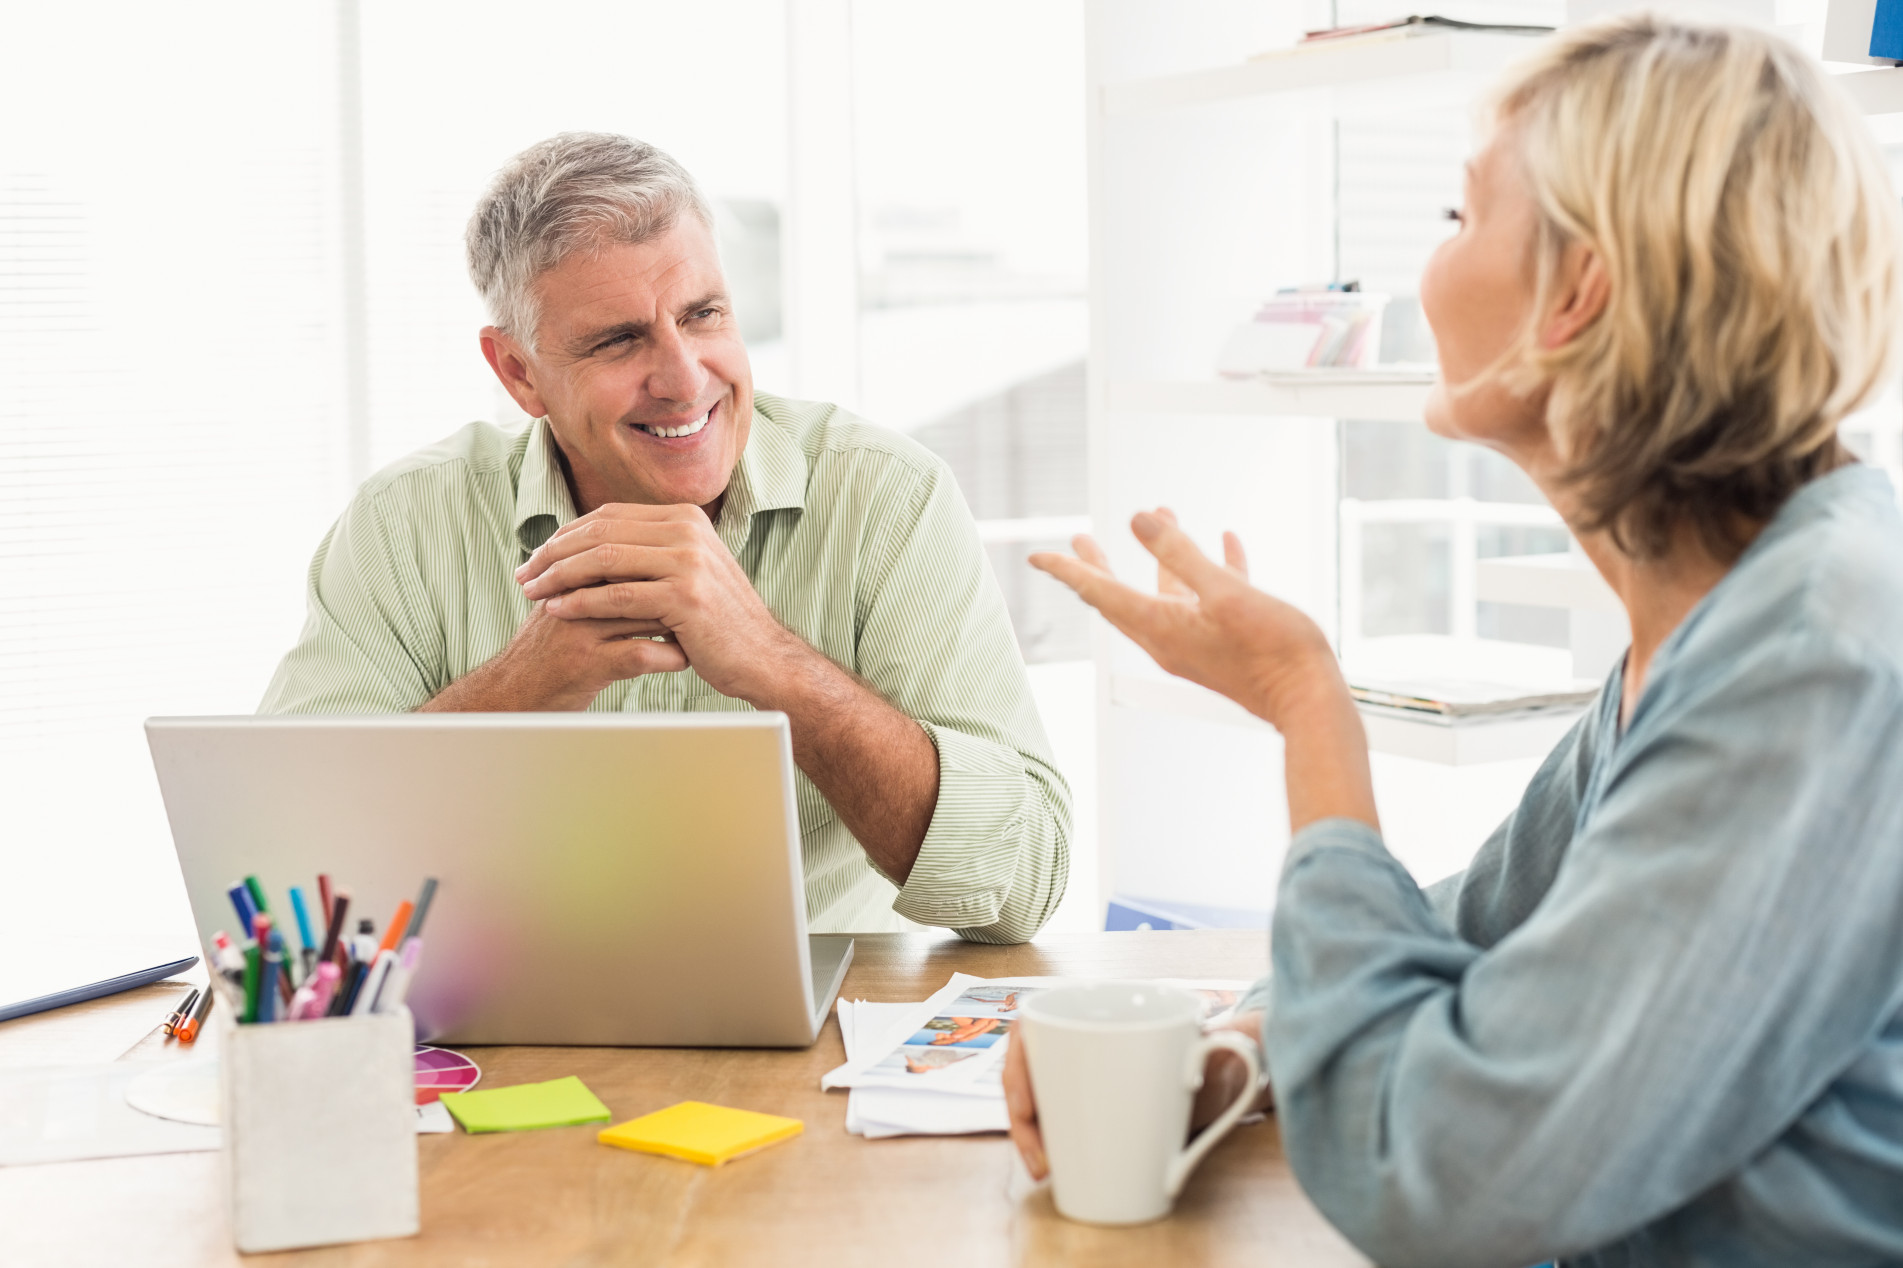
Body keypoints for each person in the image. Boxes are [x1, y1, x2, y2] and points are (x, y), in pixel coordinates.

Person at [1009, 15, 1903, 1265]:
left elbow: (1432, 1170)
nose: (1426, 272)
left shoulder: (1813, 658)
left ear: (1578, 291)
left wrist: (1305, 701)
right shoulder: (1724, 611)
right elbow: (1478, 933)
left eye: (1458, 216)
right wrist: (1241, 1048)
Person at [260, 133, 1069, 944]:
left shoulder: (886, 496)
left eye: (702, 315)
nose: (684, 379)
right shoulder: (405, 525)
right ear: (518, 372)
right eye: (618, 340)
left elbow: (1021, 889)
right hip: (498, 1013)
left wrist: (773, 664)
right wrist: (522, 688)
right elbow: (276, 883)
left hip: (823, 1017)